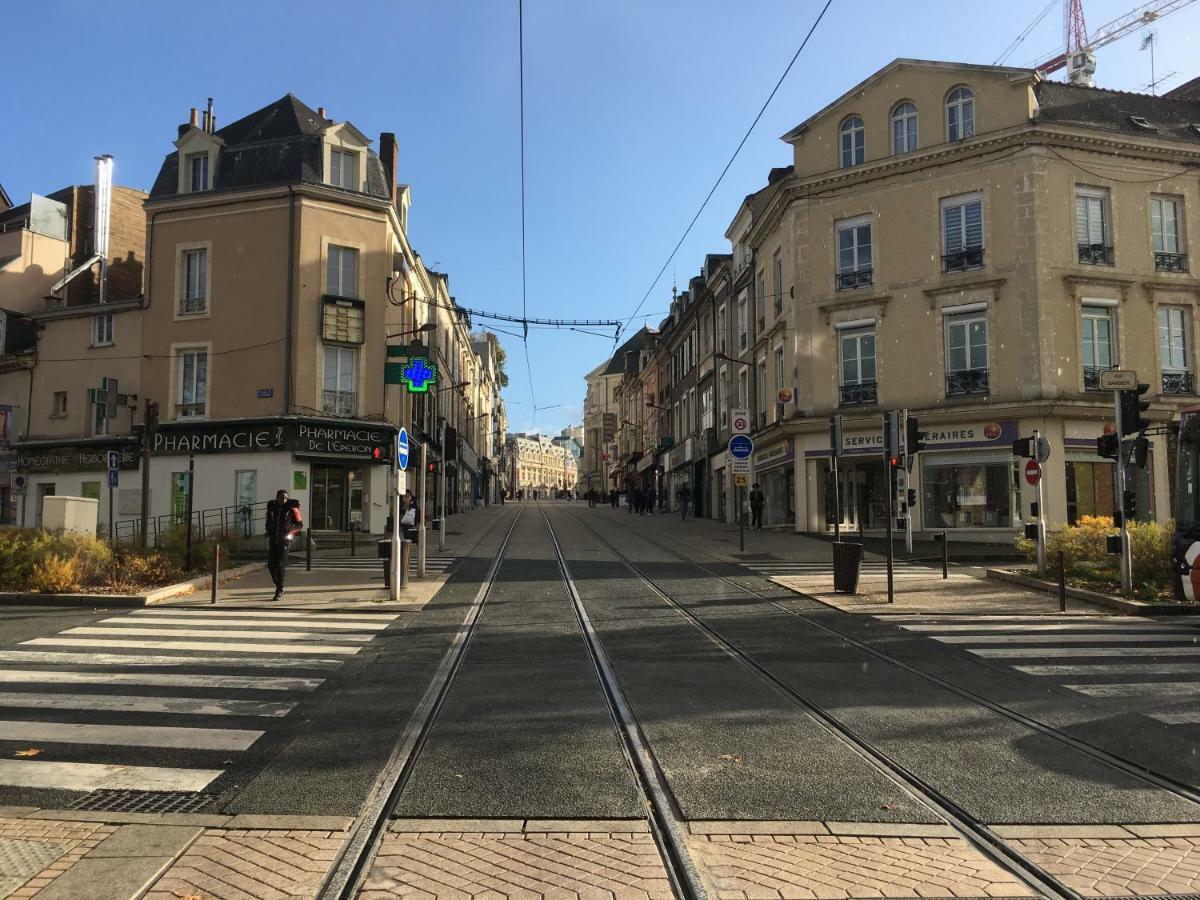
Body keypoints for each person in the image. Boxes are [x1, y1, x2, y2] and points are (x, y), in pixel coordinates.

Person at [265, 489, 302, 601]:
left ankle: (279, 590)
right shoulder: (271, 509)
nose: (284, 499)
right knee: (271, 565)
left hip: (285, 542)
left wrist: (289, 532)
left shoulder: (292, 509)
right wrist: (268, 531)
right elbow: (268, 523)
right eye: (282, 497)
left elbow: (300, 525)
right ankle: (278, 585)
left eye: (286, 497)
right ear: (277, 498)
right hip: (273, 541)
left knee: (280, 566)